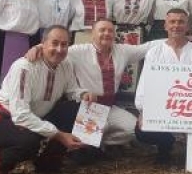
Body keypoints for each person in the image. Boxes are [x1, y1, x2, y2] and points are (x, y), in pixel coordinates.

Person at [0, 26, 91, 174]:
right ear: (43, 43)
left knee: (74, 109)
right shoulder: (25, 67)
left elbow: (71, 90)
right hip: (6, 120)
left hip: (38, 118)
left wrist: (83, 94)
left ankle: (47, 163)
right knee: (29, 143)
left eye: (64, 44)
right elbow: (21, 116)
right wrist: (59, 135)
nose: (59, 49)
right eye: (54, 43)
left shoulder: (66, 64)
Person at [134, 8, 192, 165]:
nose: (176, 25)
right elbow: (145, 83)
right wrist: (143, 111)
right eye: (172, 22)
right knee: (142, 132)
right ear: (165, 25)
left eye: (181, 22)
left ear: (187, 26)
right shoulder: (154, 52)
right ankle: (165, 146)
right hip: (164, 107)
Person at [67, 19, 158, 150]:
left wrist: (174, 40)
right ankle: (91, 142)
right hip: (90, 107)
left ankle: (101, 142)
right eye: (102, 30)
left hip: (110, 106)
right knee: (84, 149)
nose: (106, 33)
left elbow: (146, 48)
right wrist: (39, 47)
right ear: (93, 34)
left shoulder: (122, 50)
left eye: (110, 31)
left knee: (133, 131)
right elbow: (59, 51)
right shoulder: (79, 51)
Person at [109, 0, 155, 92]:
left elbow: (151, 18)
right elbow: (109, 16)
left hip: (138, 36)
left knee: (135, 69)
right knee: (116, 65)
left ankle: (134, 99)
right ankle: (114, 96)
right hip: (117, 35)